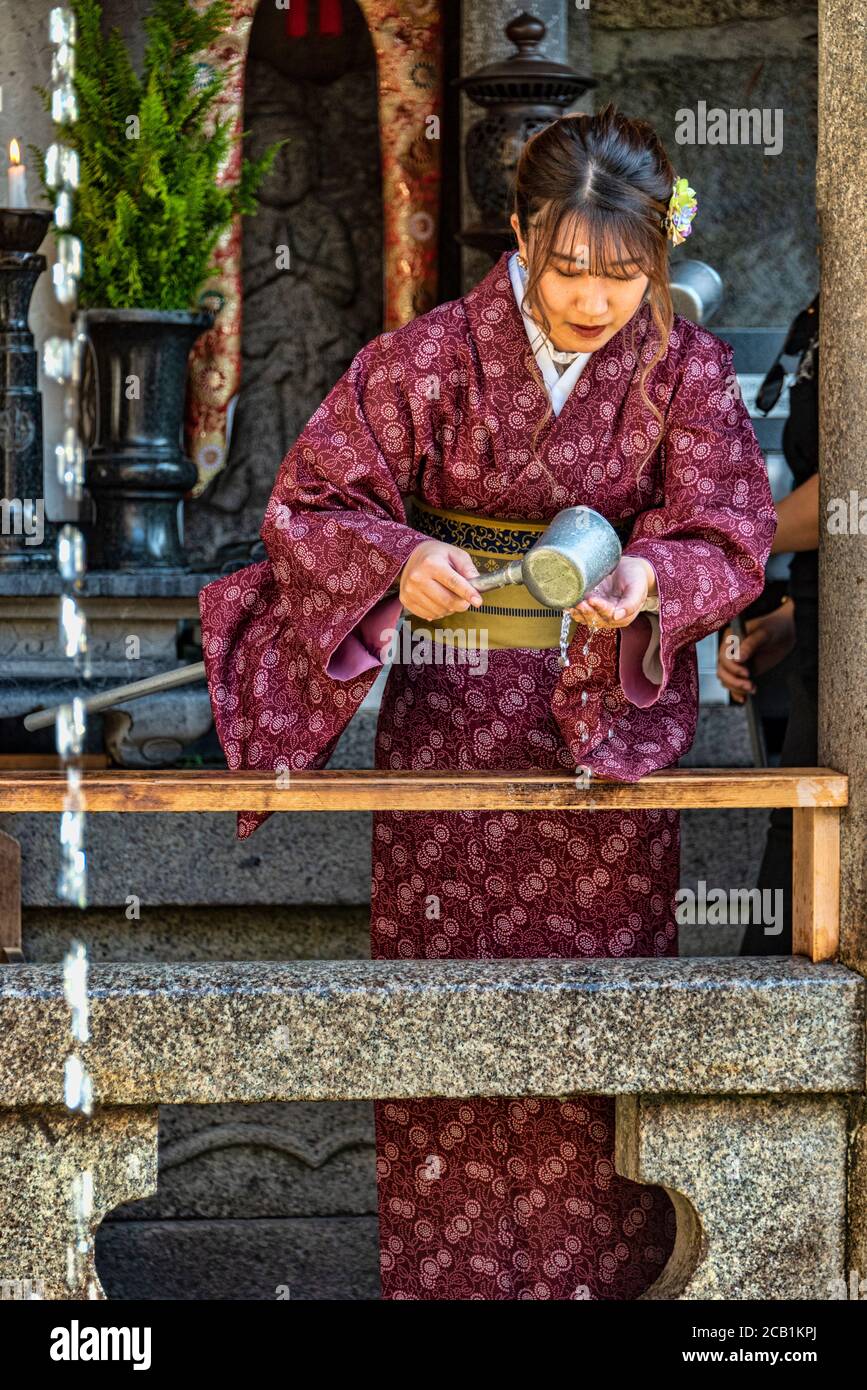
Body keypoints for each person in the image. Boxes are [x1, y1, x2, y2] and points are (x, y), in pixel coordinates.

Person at [198, 104, 776, 1300]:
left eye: (624, 275)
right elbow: (307, 508)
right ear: (517, 234)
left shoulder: (686, 369)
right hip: (449, 731)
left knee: (591, 1039)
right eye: (568, 266)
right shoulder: (428, 357)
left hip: (598, 733)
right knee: (445, 1033)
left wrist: (653, 575)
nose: (594, 299)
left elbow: (731, 528)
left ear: (659, 260)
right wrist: (400, 558)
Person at [717, 295, 819, 955]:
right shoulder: (819, 303)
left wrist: (713, 549)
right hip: (819, 631)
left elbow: (854, 490)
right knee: (796, 848)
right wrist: (790, 618)